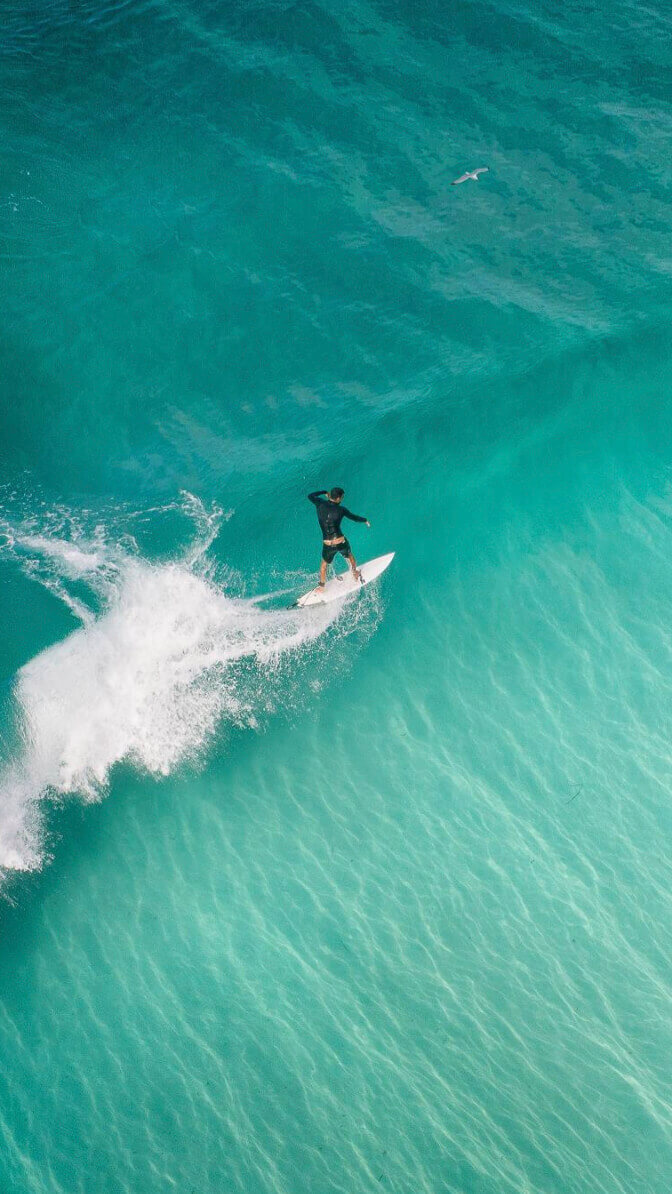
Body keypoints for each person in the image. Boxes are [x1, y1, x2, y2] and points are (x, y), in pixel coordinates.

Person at [308, 487, 370, 589]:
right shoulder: (341, 510)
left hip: (328, 544)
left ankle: (322, 587)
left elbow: (310, 496)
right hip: (340, 541)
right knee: (350, 556)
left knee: (324, 565)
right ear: (338, 498)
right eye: (342, 498)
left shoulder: (319, 503)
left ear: (330, 496)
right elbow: (354, 518)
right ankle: (355, 573)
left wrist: (323, 492)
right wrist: (365, 520)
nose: (342, 499)